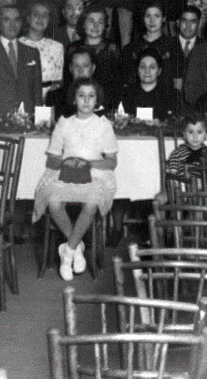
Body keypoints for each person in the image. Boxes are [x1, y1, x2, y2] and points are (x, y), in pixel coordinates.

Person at [32, 77, 118, 281]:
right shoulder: (64, 124)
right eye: (81, 96)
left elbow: (112, 162)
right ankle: (77, 248)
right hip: (66, 173)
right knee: (53, 203)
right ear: (74, 99)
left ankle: (68, 251)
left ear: (97, 100)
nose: (86, 101)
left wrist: (88, 164)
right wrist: (67, 163)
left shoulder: (104, 125)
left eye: (91, 96)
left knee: (91, 204)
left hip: (95, 175)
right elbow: (52, 160)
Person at [120, 3, 179, 91]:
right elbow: (125, 82)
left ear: (163, 18)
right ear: (143, 18)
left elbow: (177, 81)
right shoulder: (131, 48)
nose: (152, 21)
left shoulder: (173, 47)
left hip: (165, 100)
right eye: (148, 16)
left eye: (156, 16)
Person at [118, 49, 178, 120]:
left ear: (159, 71)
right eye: (143, 67)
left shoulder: (172, 95)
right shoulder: (126, 94)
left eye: (152, 67)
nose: (147, 71)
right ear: (137, 70)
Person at [19, 1, 64, 94]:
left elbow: (59, 80)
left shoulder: (57, 47)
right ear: (28, 18)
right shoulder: (17, 45)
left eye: (45, 15)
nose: (40, 18)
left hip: (49, 97)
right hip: (23, 96)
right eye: (36, 14)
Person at [79, 7, 121, 104]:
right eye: (91, 21)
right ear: (83, 24)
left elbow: (118, 81)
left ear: (105, 26)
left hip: (106, 99)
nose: (96, 26)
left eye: (100, 22)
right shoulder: (73, 48)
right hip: (80, 100)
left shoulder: (112, 48)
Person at [46, 46, 97, 118]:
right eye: (76, 66)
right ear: (70, 68)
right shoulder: (54, 97)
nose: (80, 71)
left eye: (85, 66)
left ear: (93, 68)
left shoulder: (104, 95)